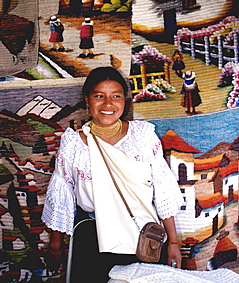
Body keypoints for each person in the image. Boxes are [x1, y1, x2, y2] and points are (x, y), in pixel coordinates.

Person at [42, 67, 183, 282]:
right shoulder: (74, 144)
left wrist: (173, 242)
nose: (108, 104)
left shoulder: (143, 137)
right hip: (93, 238)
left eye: (116, 96)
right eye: (99, 96)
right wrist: (55, 247)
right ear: (87, 100)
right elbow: (62, 196)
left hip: (144, 239)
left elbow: (162, 190)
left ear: (125, 100)